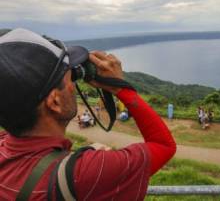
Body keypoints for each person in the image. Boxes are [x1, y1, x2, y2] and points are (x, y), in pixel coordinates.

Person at [0, 28, 176, 200]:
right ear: (55, 102)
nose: (74, 87)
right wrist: (120, 88)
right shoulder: (85, 173)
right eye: (70, 79)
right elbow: (163, 145)